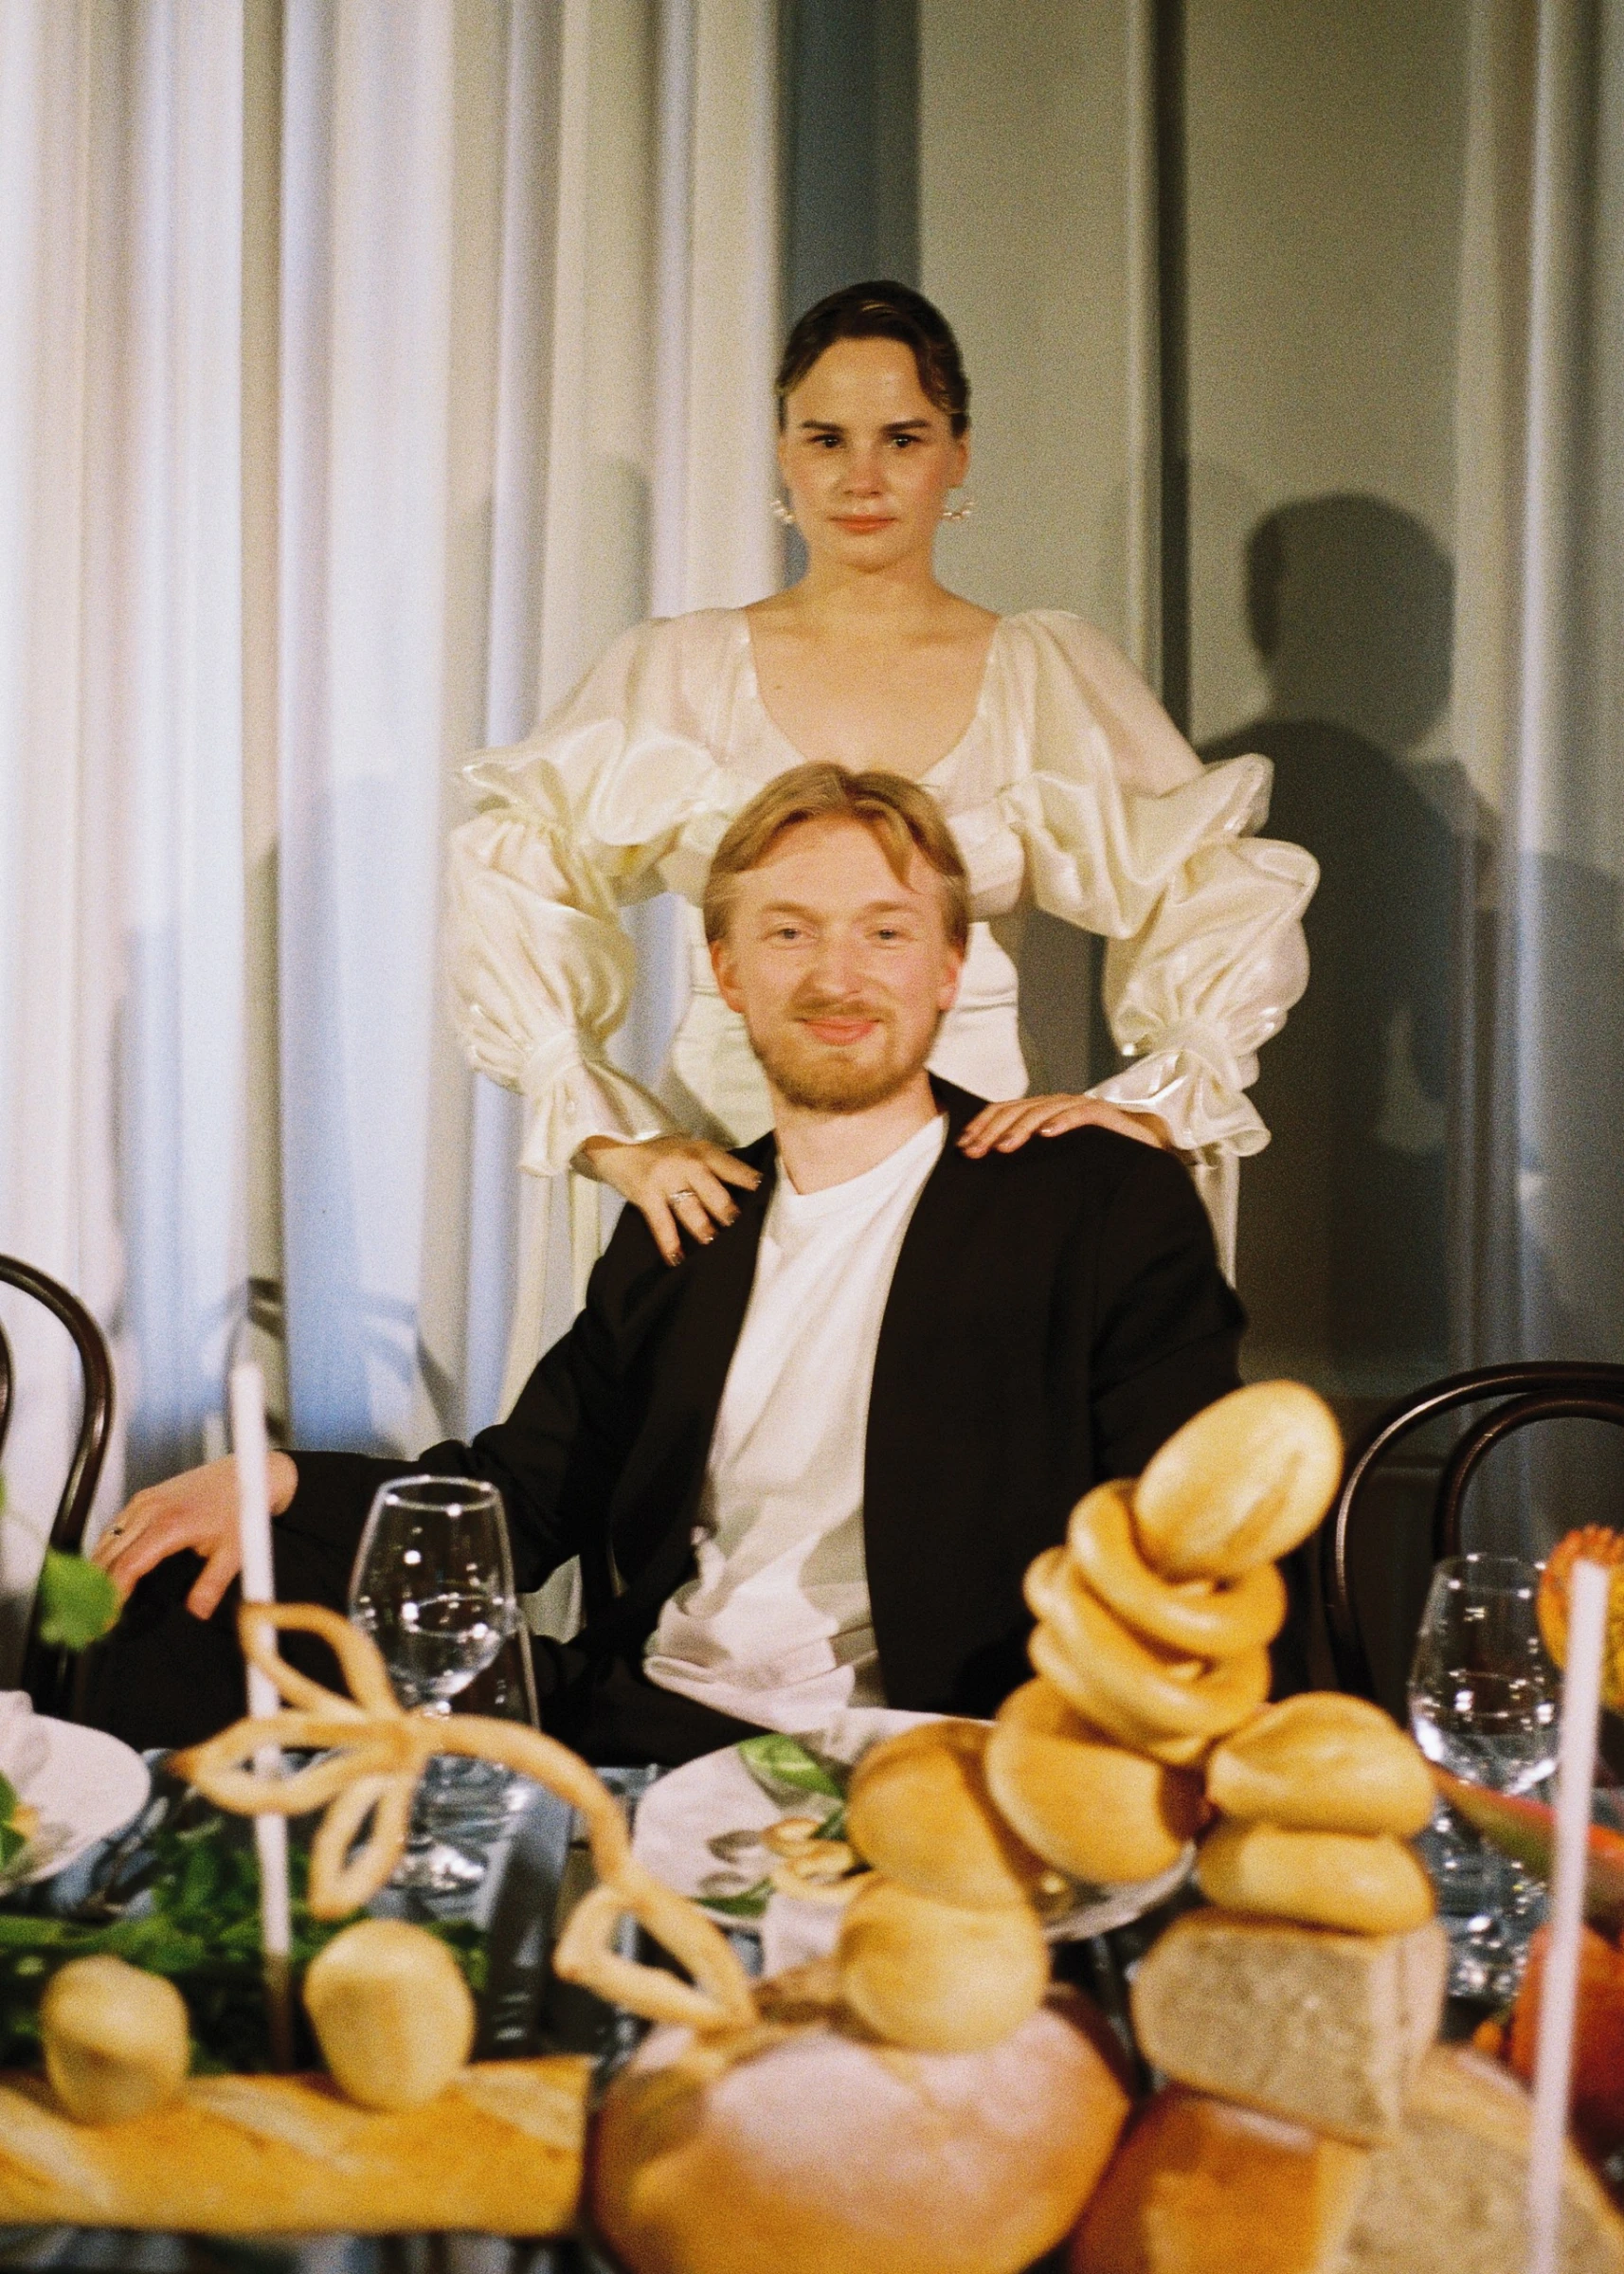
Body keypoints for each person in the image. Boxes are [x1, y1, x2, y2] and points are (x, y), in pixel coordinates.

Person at [87, 767, 1248, 1763]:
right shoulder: (685, 1221)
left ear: (949, 967)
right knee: (175, 1596)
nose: (836, 977)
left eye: (885, 932)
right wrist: (271, 1482)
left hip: (932, 1742)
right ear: (727, 972)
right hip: (647, 1716)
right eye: (788, 932)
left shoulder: (1090, 1199)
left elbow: (1190, 1534)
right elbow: (521, 1502)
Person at [448, 281, 1316, 1391]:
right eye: (827, 439)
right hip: (725, 1145)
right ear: (783, 454)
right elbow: (513, 877)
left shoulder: (1044, 674)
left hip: (972, 1158)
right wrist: (617, 1137)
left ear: (957, 454)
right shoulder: (677, 670)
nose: (862, 478)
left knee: (944, 1434)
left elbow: (1213, 893)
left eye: (901, 438)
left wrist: (1144, 1108)